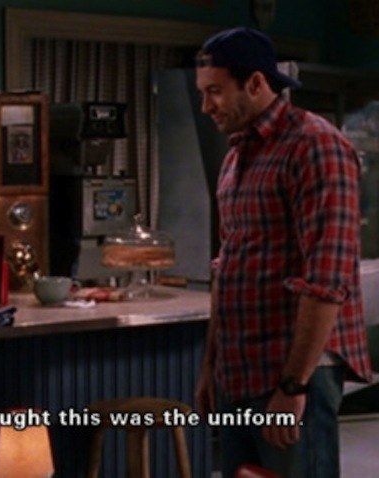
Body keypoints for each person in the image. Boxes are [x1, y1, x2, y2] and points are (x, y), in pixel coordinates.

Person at [193, 27, 372, 477]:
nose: (206, 106)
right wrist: (211, 366)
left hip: (289, 373)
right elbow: (227, 267)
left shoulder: (315, 146)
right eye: (202, 93)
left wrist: (293, 385)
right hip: (238, 370)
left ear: (256, 83)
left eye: (215, 91)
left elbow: (327, 280)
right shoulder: (237, 157)